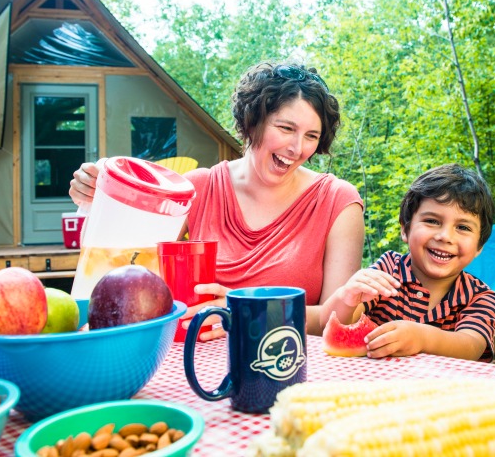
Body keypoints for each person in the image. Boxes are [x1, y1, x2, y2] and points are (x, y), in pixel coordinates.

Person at [69, 62, 365, 338]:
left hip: (285, 361)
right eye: (286, 128)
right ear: (253, 122)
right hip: (190, 360)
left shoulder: (338, 201)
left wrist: (249, 314)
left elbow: (336, 319)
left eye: (311, 135)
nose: (297, 148)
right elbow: (125, 265)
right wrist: (100, 200)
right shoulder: (198, 188)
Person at [321, 163, 495, 362]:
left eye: (463, 227)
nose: (445, 236)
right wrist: (346, 298)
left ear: (479, 246)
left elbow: (471, 346)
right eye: (432, 221)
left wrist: (422, 338)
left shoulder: (481, 297)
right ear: (405, 230)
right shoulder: (388, 270)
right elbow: (335, 323)